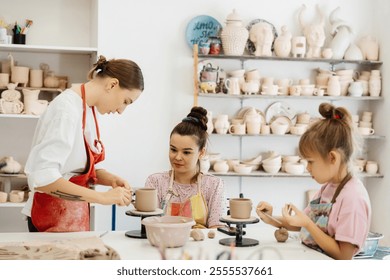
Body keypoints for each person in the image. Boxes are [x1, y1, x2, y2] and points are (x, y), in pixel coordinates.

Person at [22, 55, 144, 232]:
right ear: (112, 85)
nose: (120, 110)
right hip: (50, 218)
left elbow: (74, 168)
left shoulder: (87, 108)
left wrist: (109, 179)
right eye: (125, 101)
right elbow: (43, 178)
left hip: (72, 216)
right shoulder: (66, 110)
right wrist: (102, 198)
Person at [256, 103, 371, 260]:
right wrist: (270, 218)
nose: (307, 168)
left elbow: (344, 256)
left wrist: (308, 224)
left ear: (332, 158)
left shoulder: (353, 198)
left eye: (311, 162)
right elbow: (299, 222)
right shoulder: (328, 188)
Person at [144, 106, 225, 228]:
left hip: (202, 246)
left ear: (201, 153)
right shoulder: (155, 182)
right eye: (173, 150)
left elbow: (217, 229)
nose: (177, 157)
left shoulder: (214, 185)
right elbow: (149, 226)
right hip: (164, 245)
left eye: (186, 152)